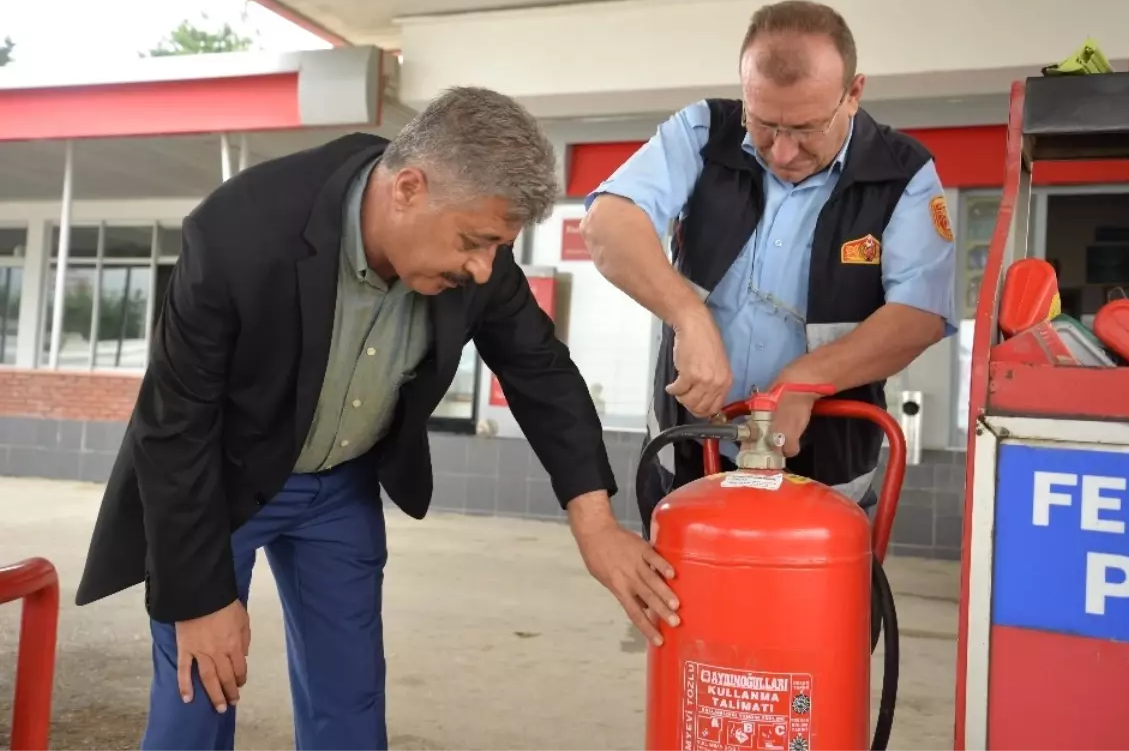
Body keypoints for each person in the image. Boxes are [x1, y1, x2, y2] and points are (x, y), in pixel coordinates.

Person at [73, 86, 680, 751]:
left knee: (350, 705)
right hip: (215, 484)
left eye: (496, 248)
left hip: (339, 487)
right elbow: (175, 424)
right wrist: (196, 599)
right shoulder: (240, 230)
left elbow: (540, 370)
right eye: (474, 243)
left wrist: (592, 522)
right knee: (199, 696)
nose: (484, 269)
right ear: (409, 189)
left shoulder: (479, 250)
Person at [581, 0, 957, 536]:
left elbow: (919, 315)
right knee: (685, 615)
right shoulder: (703, 133)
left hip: (826, 476)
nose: (782, 152)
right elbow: (606, 225)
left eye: (806, 128)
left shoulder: (904, 175)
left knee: (814, 616)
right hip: (689, 461)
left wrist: (806, 381)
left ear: (853, 94)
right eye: (763, 124)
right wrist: (689, 317)